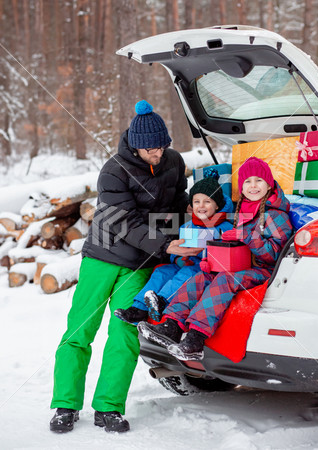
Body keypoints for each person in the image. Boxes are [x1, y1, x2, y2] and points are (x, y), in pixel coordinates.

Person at [49, 100, 201, 433]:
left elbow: (177, 204)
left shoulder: (174, 162)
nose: (157, 154)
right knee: (80, 331)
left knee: (124, 334)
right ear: (134, 144)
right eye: (150, 149)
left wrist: (186, 232)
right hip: (102, 257)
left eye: (161, 147)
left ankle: (109, 407)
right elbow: (125, 222)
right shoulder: (114, 169)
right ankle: (65, 404)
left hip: (140, 263)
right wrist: (165, 244)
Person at [138, 157, 293, 360]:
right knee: (201, 276)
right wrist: (213, 260)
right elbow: (235, 249)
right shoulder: (243, 210)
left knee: (224, 280)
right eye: (247, 181)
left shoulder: (275, 215)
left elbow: (274, 255)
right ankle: (172, 325)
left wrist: (248, 236)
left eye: (258, 181)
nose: (253, 186)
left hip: (264, 270)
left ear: (269, 184)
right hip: (240, 265)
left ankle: (196, 337)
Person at [114, 168, 234, 324]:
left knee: (186, 275)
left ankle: (162, 301)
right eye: (197, 202)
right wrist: (177, 258)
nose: (201, 206)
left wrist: (206, 251)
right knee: (163, 271)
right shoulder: (188, 226)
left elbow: (228, 252)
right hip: (185, 263)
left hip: (204, 268)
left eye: (207, 201)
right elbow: (178, 247)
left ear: (217, 205)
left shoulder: (223, 227)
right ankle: (139, 309)